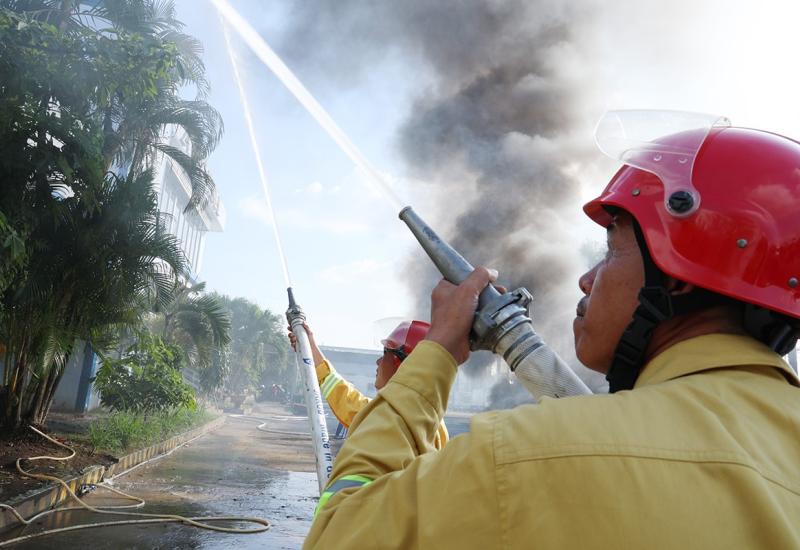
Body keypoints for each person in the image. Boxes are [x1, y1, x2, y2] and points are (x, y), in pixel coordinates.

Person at [304, 111, 800, 549]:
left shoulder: (523, 458)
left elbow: (338, 533)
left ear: (678, 274)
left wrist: (437, 350)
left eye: (611, 250)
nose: (587, 278)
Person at [288, 320, 449, 449]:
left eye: (385, 353)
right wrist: (310, 348)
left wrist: (311, 350)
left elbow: (351, 404)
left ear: (400, 364)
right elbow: (351, 401)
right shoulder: (430, 421)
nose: (378, 361)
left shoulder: (395, 417)